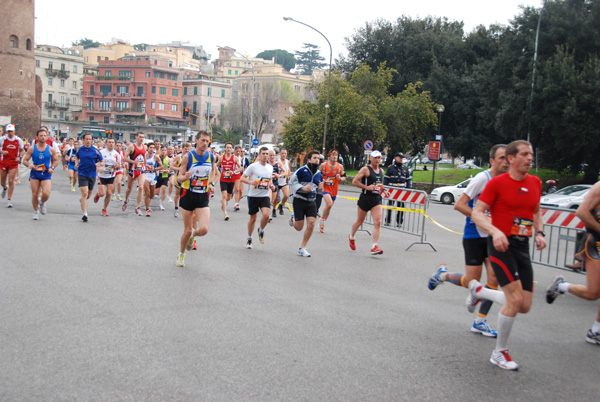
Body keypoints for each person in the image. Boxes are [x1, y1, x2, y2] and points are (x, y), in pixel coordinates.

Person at [469, 140, 546, 371]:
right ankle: (499, 352)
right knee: (514, 300)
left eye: (531, 154)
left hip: (523, 246)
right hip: (501, 245)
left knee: (524, 306)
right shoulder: (497, 184)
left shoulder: (535, 182)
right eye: (524, 154)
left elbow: (536, 212)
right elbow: (477, 212)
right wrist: (494, 231)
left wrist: (539, 232)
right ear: (511, 158)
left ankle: (480, 291)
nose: (529, 158)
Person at [428, 144, 509, 338]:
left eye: (508, 158)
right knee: (470, 281)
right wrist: (482, 218)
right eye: (502, 158)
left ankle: (480, 321)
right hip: (474, 234)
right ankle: (442, 275)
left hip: (493, 235)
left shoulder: (507, 181)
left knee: (494, 279)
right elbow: (459, 204)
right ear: (492, 161)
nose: (506, 162)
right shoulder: (483, 178)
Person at [546, 181, 600, 345]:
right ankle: (561, 286)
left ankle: (596, 331)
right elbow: (582, 212)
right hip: (595, 244)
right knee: (593, 293)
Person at [175, 131, 218, 267]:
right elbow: (179, 178)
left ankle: (194, 234)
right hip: (188, 194)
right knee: (186, 230)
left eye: (207, 141)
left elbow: (210, 173)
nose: (205, 143)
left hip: (202, 196)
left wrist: (210, 184)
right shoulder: (188, 157)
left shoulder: (211, 157)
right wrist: (185, 177)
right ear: (197, 141)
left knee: (204, 229)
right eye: (203, 140)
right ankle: (181, 255)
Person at [348, 150, 385, 255]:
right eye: (375, 158)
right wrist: (366, 187)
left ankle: (374, 246)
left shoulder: (381, 171)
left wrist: (384, 190)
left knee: (378, 222)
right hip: (365, 198)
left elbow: (380, 184)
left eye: (379, 158)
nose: (377, 160)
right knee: (360, 221)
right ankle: (351, 236)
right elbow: (354, 181)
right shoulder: (365, 169)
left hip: (376, 199)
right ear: (370, 158)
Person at [289, 150, 323, 257]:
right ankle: (293, 218)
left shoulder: (319, 174)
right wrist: (302, 188)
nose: (317, 160)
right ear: (309, 159)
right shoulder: (301, 170)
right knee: (299, 227)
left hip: (311, 202)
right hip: (299, 200)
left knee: (311, 224)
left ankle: (302, 248)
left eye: (318, 158)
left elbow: (319, 192)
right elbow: (292, 182)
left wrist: (320, 190)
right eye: (314, 158)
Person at [241, 147, 275, 249]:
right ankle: (249, 238)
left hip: (264, 195)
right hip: (253, 196)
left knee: (266, 216)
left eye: (266, 154)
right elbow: (242, 178)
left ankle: (261, 230)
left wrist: (271, 185)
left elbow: (269, 179)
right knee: (253, 218)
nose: (265, 155)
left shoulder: (270, 167)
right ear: (259, 155)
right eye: (263, 153)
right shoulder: (253, 167)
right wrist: (251, 182)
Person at [21, 129, 58, 219]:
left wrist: (52, 168)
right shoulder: (32, 148)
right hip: (35, 173)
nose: (43, 137)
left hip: (46, 173)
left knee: (46, 193)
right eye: (41, 135)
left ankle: (42, 203)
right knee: (35, 194)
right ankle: (36, 212)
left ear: (47, 137)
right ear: (37, 137)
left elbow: (56, 160)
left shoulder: (51, 149)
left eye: (44, 135)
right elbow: (24, 160)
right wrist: (29, 164)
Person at [75, 132, 104, 222]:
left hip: (92, 174)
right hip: (82, 173)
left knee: (88, 195)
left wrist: (98, 164)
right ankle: (85, 213)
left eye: (90, 139)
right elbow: (77, 157)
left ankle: (83, 200)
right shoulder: (80, 150)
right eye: (86, 139)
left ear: (92, 140)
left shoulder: (95, 151)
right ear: (83, 140)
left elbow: (102, 162)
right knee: (84, 193)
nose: (88, 141)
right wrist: (77, 163)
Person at [93, 138, 122, 216]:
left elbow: (119, 165)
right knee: (102, 193)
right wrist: (98, 169)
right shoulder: (101, 152)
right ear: (106, 143)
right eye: (109, 142)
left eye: (113, 142)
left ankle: (104, 209)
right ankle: (98, 194)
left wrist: (117, 165)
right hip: (101, 175)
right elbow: (95, 163)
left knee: (109, 193)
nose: (111, 144)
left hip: (111, 175)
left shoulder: (116, 154)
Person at [319, 149, 345, 233]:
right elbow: (317, 175)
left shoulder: (340, 166)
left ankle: (323, 221)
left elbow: (344, 177)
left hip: (334, 188)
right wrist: (322, 180)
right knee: (329, 204)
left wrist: (340, 178)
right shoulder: (323, 165)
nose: (334, 157)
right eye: (333, 155)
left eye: (336, 155)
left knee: (329, 206)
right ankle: (322, 221)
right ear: (329, 157)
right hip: (326, 188)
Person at [0, 124, 25, 208]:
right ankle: (4, 188)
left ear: (14, 131)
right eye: (9, 131)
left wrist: (19, 157)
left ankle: (9, 199)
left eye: (11, 131)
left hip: (13, 163)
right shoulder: (2, 139)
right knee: (2, 182)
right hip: (4, 162)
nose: (10, 133)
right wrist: (2, 152)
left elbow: (22, 150)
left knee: (11, 180)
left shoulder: (18, 140)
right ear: (6, 132)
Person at [123, 133, 147, 216]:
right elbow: (125, 158)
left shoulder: (144, 147)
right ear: (136, 137)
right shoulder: (131, 146)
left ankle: (138, 207)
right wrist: (133, 162)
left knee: (141, 187)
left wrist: (146, 165)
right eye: (140, 137)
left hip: (141, 170)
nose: (141, 139)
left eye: (143, 137)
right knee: (129, 189)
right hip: (132, 170)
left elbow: (144, 158)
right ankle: (126, 201)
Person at [383, 152, 410, 227]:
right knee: (390, 206)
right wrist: (385, 189)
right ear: (396, 157)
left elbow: (408, 180)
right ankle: (387, 221)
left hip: (401, 189)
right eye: (400, 157)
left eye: (402, 158)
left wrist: (408, 190)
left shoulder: (405, 168)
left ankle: (399, 222)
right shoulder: (390, 168)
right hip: (392, 189)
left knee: (401, 207)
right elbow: (386, 179)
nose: (401, 159)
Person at [216, 142, 241, 221]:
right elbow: (216, 167)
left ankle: (224, 202)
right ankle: (225, 213)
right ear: (225, 149)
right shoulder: (221, 158)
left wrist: (233, 172)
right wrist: (218, 173)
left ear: (232, 149)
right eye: (227, 147)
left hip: (231, 179)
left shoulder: (234, 158)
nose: (229, 149)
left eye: (230, 148)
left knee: (229, 197)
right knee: (224, 195)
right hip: (223, 179)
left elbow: (241, 168)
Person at [170, 142, 192, 218]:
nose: (187, 150)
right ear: (182, 149)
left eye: (188, 149)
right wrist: (178, 168)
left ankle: (186, 210)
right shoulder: (178, 157)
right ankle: (176, 208)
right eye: (185, 149)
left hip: (187, 179)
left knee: (187, 195)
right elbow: (171, 166)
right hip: (179, 178)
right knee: (178, 194)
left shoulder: (191, 157)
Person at [268, 149, 285, 219]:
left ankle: (272, 209)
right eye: (270, 155)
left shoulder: (278, 163)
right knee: (269, 198)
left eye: (273, 155)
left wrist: (280, 175)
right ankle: (268, 215)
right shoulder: (266, 162)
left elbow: (285, 171)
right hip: (268, 182)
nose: (272, 157)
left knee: (273, 200)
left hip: (275, 182)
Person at [233, 146, 249, 211]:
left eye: (242, 151)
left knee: (241, 190)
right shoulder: (234, 158)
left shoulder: (245, 159)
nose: (241, 153)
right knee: (236, 189)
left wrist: (245, 170)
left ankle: (237, 203)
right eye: (240, 151)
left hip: (242, 176)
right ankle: (235, 201)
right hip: (234, 175)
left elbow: (249, 166)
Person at [156, 145, 171, 211]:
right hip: (158, 176)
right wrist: (157, 171)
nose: (164, 152)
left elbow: (170, 167)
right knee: (155, 192)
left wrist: (169, 170)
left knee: (164, 189)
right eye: (162, 150)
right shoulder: (157, 158)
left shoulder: (168, 159)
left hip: (164, 176)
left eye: (165, 150)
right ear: (160, 151)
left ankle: (161, 204)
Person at [277, 149, 291, 215]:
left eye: (285, 153)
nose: (284, 155)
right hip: (277, 181)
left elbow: (288, 170)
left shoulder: (288, 161)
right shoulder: (277, 161)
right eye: (282, 153)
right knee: (275, 198)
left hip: (284, 181)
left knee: (286, 195)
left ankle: (281, 205)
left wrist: (289, 174)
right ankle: (274, 210)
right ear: (280, 154)